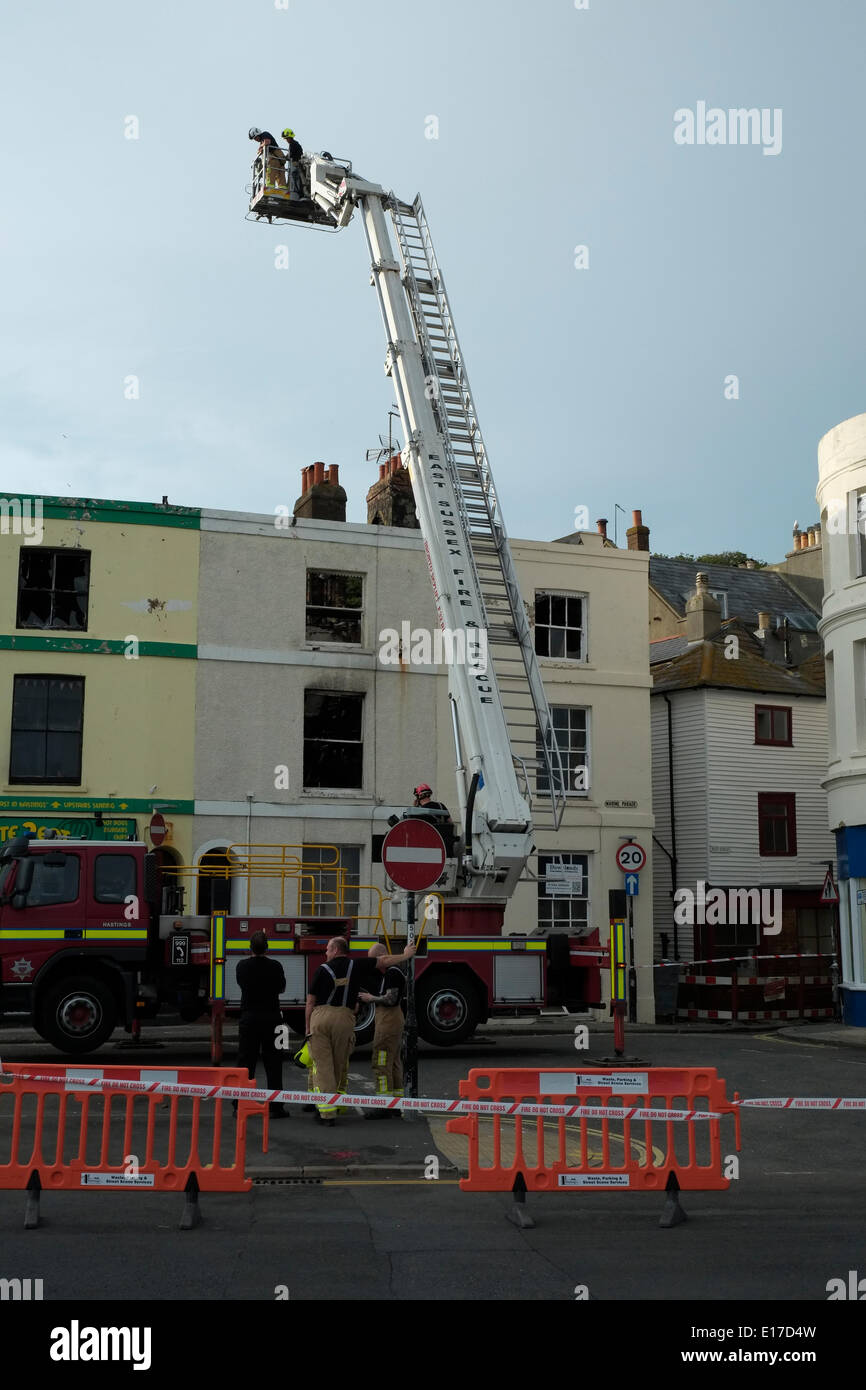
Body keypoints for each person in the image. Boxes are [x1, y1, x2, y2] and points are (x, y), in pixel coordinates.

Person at [304, 936, 362, 1125]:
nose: (326, 952)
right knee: (338, 1064)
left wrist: (307, 1027)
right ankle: (334, 1105)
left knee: (322, 1066)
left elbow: (311, 1002)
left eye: (328, 949)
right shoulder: (356, 968)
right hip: (344, 1018)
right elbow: (356, 1006)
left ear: (336, 950)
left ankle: (326, 1114)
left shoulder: (322, 970)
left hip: (321, 1017)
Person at [235, 931, 289, 1118]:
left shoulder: (242, 966)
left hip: (249, 1019)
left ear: (250, 948)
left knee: (245, 1062)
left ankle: (240, 1105)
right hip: (273, 1019)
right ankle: (276, 1107)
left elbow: (241, 984)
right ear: (267, 948)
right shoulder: (276, 966)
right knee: (274, 1062)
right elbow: (282, 988)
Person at [359, 942, 409, 1103]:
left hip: (388, 1021)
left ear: (382, 957)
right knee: (393, 1061)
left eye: (374, 960)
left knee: (381, 1060)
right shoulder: (391, 973)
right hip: (392, 1020)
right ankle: (396, 1100)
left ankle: (383, 1103)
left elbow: (391, 999)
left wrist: (370, 998)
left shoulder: (392, 974)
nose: (372, 965)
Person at [281, 127, 306, 199]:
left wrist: (284, 158)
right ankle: (299, 192)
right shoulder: (295, 143)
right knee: (298, 178)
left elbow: (290, 155)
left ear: (289, 137)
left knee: (296, 178)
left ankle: (299, 193)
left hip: (296, 164)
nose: (286, 140)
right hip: (299, 163)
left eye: (286, 138)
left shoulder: (292, 144)